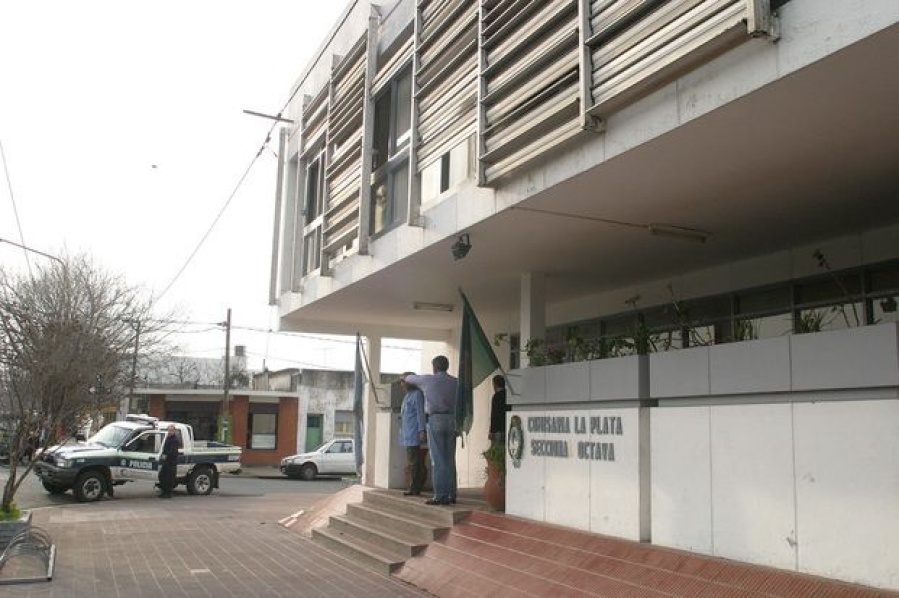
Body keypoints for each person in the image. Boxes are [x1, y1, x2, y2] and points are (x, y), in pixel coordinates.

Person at [403, 355, 458, 506]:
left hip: (435, 419)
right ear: (447, 366)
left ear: (434, 367)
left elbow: (409, 379)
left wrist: (406, 376)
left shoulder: (428, 380)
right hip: (452, 419)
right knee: (450, 458)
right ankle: (451, 493)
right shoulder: (455, 382)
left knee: (438, 459)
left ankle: (440, 495)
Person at [399, 373, 427, 496]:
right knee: (412, 461)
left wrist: (422, 430)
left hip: (414, 433)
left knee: (415, 462)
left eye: (403, 381)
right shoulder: (407, 396)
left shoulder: (417, 395)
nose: (401, 384)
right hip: (408, 433)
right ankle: (413, 486)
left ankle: (415, 487)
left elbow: (420, 413)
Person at [158, 424, 181, 498]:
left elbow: (173, 451)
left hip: (171, 462)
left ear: (174, 431)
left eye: (171, 430)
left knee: (169, 478)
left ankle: (168, 493)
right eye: (168, 430)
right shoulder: (167, 438)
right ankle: (164, 492)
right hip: (166, 461)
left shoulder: (175, 440)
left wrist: (166, 455)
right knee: (162, 477)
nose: (169, 432)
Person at [489, 375, 508, 447]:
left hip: (497, 430)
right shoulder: (508, 395)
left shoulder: (496, 397)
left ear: (495, 385)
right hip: (507, 428)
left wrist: (491, 431)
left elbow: (494, 415)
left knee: (496, 453)